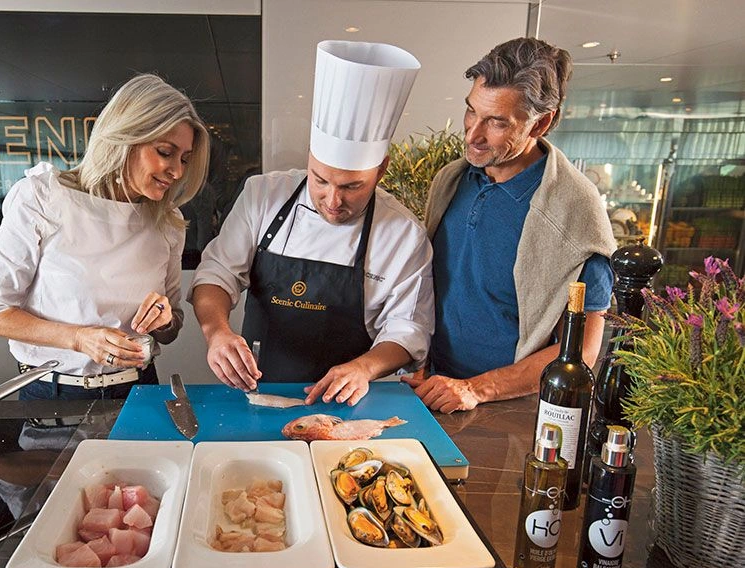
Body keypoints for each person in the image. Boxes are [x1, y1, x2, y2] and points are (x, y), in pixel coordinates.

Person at [189, 40, 434, 407]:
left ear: (381, 171)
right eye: (320, 180)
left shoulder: (403, 235)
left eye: (352, 186)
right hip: (257, 393)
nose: (333, 201)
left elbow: (409, 328)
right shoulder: (263, 195)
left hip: (347, 403)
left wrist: (365, 368)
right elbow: (217, 273)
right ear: (309, 159)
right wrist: (217, 332)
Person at [403, 38, 617, 413]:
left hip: (510, 405)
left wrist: (478, 389)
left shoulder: (576, 210)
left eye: (497, 123)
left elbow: (582, 348)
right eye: (472, 112)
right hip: (437, 390)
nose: (473, 134)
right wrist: (422, 359)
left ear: (543, 123)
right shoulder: (452, 180)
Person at [0, 74, 210, 400]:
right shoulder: (42, 198)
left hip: (141, 388)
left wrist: (164, 320)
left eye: (184, 158)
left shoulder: (167, 222)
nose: (178, 171)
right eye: (165, 152)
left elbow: (170, 330)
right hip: (56, 392)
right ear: (124, 138)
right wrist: (79, 338)